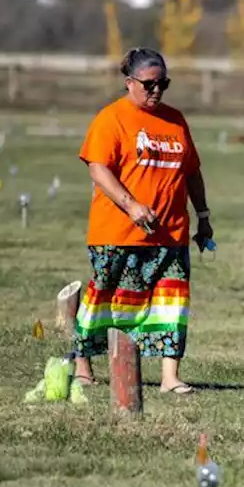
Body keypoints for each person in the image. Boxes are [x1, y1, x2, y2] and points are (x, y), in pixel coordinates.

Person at [72, 47, 213, 394]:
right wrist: (131, 205)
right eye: (149, 84)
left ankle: (169, 378)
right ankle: (82, 366)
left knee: (172, 304)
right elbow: (97, 167)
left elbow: (191, 172)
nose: (156, 91)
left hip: (171, 232)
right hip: (118, 232)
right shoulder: (112, 118)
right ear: (129, 83)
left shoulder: (175, 120)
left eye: (163, 83)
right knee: (104, 300)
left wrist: (204, 216)